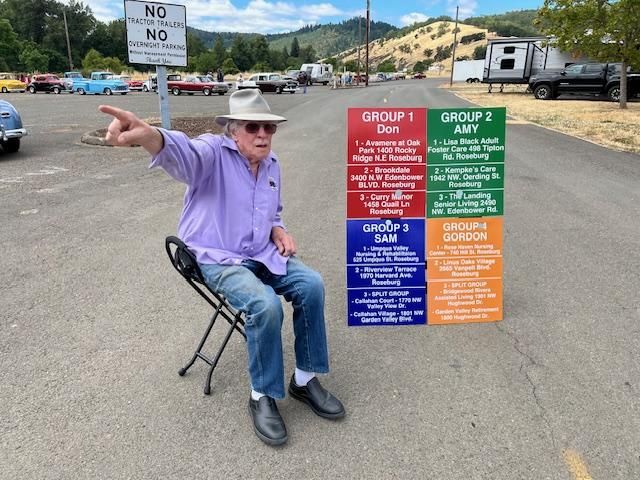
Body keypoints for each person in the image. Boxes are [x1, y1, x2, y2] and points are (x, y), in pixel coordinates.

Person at [98, 89, 345, 446]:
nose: (262, 134)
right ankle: (261, 396)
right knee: (265, 304)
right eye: (252, 127)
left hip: (261, 253)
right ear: (233, 130)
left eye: (268, 128)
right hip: (217, 256)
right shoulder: (213, 152)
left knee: (312, 284)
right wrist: (151, 136)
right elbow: (183, 154)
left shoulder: (272, 164)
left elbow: (272, 212)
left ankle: (304, 380)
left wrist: (279, 228)